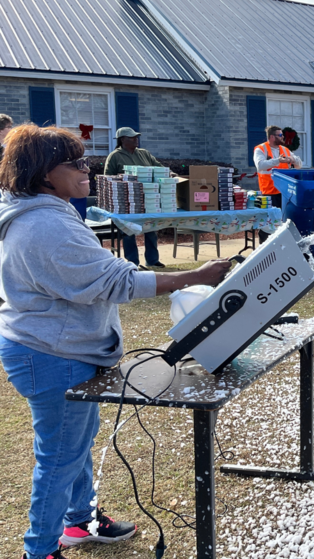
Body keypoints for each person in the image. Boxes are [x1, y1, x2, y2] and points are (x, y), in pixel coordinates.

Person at [0, 125, 231, 559]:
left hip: (50, 347)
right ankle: (40, 551)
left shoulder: (44, 209)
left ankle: (79, 522)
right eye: (73, 162)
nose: (85, 168)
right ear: (43, 172)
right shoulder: (45, 226)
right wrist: (196, 276)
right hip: (50, 354)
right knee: (59, 458)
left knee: (74, 443)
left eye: (84, 158)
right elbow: (117, 280)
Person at [103, 127, 166, 268]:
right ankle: (133, 263)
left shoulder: (144, 154)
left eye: (136, 137)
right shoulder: (114, 156)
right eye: (131, 137)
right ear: (122, 140)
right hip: (127, 200)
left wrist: (170, 174)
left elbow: (159, 168)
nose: (136, 139)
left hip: (148, 198)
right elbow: (107, 178)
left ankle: (152, 260)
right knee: (128, 231)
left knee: (151, 229)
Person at [253, 125, 302, 243]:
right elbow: (260, 165)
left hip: (284, 192)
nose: (282, 137)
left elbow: (299, 165)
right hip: (269, 192)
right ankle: (263, 247)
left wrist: (293, 160)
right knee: (268, 223)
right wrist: (277, 161)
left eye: (282, 135)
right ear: (271, 137)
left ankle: (282, 245)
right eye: (280, 135)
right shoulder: (261, 149)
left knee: (284, 221)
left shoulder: (285, 150)